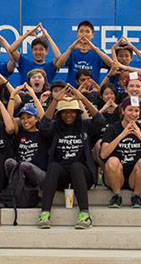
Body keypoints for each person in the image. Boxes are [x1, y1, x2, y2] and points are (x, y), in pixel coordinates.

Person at [37, 90, 105, 230]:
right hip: (61, 176)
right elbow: (43, 125)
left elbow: (100, 120)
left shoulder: (85, 125)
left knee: (75, 166)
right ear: (60, 114)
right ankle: (45, 213)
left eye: (72, 111)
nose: (69, 115)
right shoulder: (55, 128)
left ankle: (84, 214)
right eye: (65, 112)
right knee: (54, 166)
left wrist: (82, 99)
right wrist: (55, 101)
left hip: (82, 175)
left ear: (78, 113)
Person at [100, 96, 141, 208]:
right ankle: (117, 196)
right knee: (112, 161)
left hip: (135, 176)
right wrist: (122, 135)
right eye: (130, 110)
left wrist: (140, 136)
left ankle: (136, 196)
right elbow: (103, 154)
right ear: (123, 111)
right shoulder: (112, 128)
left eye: (136, 110)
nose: (133, 114)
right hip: (115, 175)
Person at [5, 100, 48, 197]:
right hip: (21, 173)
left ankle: (39, 192)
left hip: (40, 175)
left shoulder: (42, 133)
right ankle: (15, 190)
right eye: (22, 118)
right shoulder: (19, 132)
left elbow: (45, 119)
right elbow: (9, 118)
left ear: (36, 119)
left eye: (29, 117)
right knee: (9, 162)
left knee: (25, 165)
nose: (25, 121)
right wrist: (12, 98)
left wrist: (33, 95)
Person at [55, 21, 114, 86]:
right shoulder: (72, 51)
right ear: (77, 34)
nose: (84, 34)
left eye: (87, 31)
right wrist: (70, 49)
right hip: (72, 92)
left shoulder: (97, 52)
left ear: (92, 35)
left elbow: (112, 65)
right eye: (81, 31)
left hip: (92, 93)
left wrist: (95, 49)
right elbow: (58, 65)